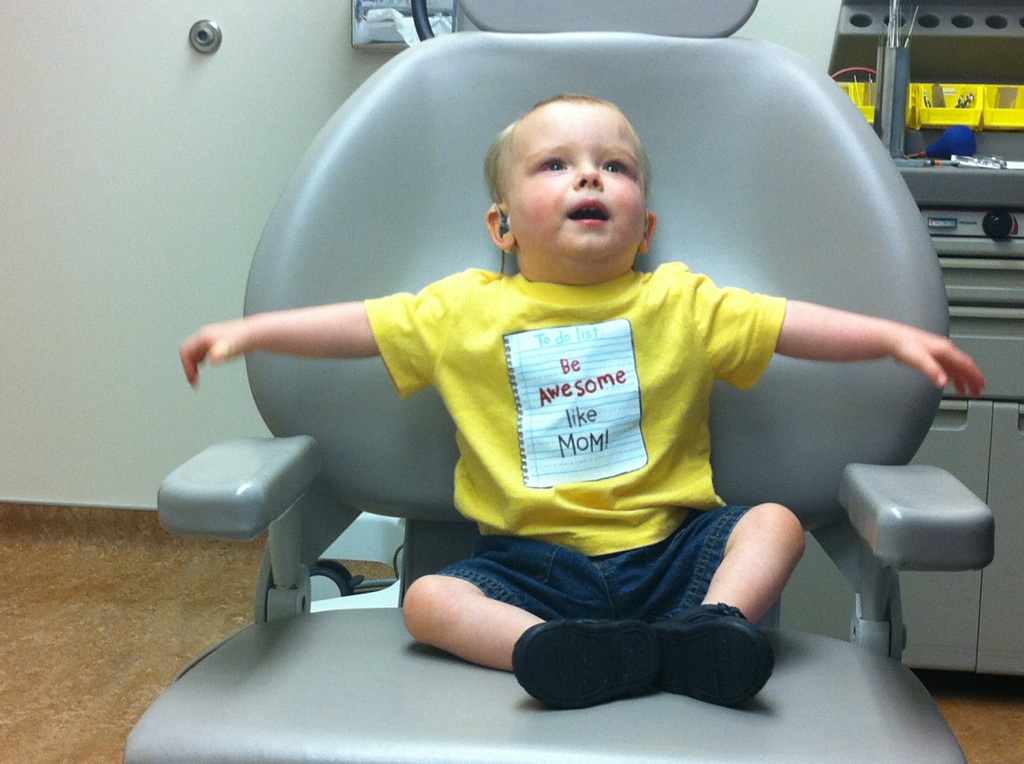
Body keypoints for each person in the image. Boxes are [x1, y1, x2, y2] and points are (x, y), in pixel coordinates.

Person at [180, 94, 985, 710]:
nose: (591, 176)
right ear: (501, 226)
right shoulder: (463, 310)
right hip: (530, 567)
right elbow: (358, 326)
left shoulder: (679, 300)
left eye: (616, 167)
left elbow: (789, 326)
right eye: (554, 165)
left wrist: (892, 339)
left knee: (773, 523)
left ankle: (709, 629)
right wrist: (255, 332)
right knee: (428, 600)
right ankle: (553, 651)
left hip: (673, 554)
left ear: (645, 229)